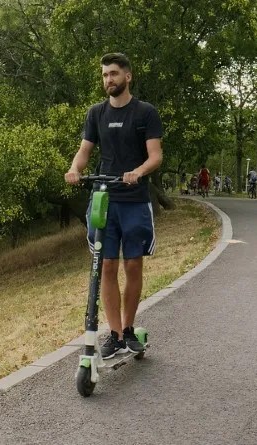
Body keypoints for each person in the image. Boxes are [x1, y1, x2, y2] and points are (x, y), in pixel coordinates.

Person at [64, 53, 163, 359]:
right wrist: (74, 169)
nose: (109, 79)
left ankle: (129, 329)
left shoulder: (145, 112)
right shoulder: (96, 113)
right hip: (103, 199)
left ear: (127, 76)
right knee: (105, 265)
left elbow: (155, 155)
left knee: (133, 265)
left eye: (114, 74)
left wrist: (138, 172)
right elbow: (84, 151)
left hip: (134, 200)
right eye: (105, 75)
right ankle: (115, 334)